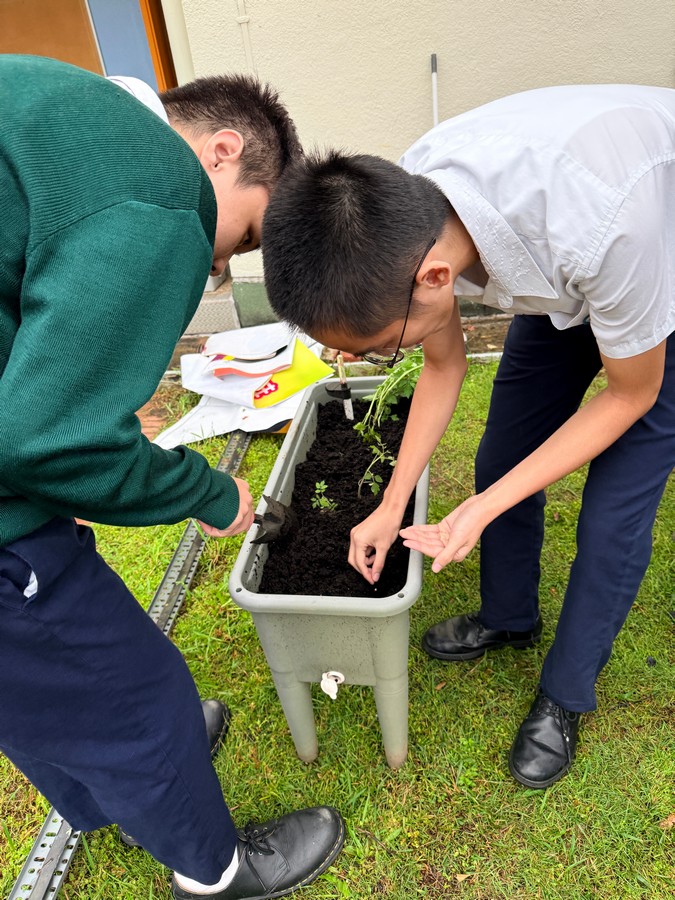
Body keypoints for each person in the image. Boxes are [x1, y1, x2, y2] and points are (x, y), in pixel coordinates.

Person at [261, 83, 675, 789]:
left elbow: (629, 394)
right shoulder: (408, 216)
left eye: (379, 347)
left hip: (652, 266)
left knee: (612, 518)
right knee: (501, 458)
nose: (377, 360)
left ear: (434, 278)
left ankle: (565, 692)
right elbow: (444, 364)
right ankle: (509, 617)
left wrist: (478, 512)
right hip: (566, 266)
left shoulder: (607, 223)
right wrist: (391, 504)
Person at [0, 55, 344, 900]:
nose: (218, 265)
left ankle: (111, 799)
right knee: (138, 694)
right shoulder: (155, 189)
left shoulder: (49, 102)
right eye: (245, 235)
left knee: (32, 684)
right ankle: (215, 869)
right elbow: (50, 441)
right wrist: (208, 493)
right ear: (221, 151)